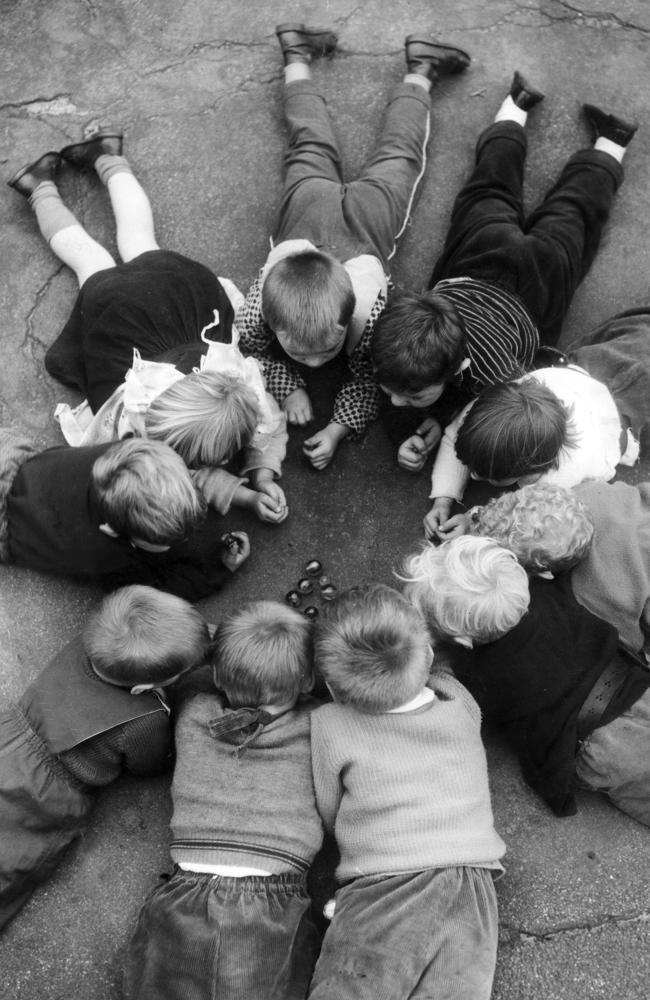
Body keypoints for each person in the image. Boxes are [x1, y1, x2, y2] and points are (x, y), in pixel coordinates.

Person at [7, 135, 288, 523]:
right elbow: (192, 474)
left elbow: (260, 433)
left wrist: (260, 476)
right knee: (90, 260)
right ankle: (40, 187)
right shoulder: (138, 425)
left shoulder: (237, 383)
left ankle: (106, 157)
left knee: (137, 237)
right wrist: (251, 483)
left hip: (177, 294)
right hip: (120, 314)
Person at [371, 73, 637, 478]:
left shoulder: (500, 379)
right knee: (507, 192)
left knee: (566, 213)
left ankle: (602, 140)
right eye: (391, 390)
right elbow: (432, 393)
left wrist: (429, 423)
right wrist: (426, 415)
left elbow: (491, 419)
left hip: (536, 290)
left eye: (410, 395)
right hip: (480, 253)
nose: (393, 403)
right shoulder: (397, 330)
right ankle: (553, 121)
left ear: (460, 371)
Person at [236, 22, 471, 469]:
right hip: (313, 210)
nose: (317, 361)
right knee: (333, 144)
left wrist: (337, 426)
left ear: (349, 320)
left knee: (386, 153)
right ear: (272, 319)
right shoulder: (258, 312)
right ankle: (397, 66)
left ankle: (404, 67)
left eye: (326, 349)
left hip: (356, 226)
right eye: (300, 353)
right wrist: (292, 385)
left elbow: (371, 376)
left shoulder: (369, 320)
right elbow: (249, 347)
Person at [308, 583, 506, 1000]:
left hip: (384, 881)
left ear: (333, 689)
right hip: (473, 879)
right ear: (430, 657)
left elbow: (328, 807)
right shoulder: (459, 702)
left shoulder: (330, 722)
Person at [123, 600, 324, 1000]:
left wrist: (224, 646)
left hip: (187, 886)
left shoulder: (194, 710)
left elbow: (196, 671)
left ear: (216, 674)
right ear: (306, 683)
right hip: (272, 891)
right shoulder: (318, 720)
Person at [0, 585, 211, 932]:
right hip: (47, 792)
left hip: (10, 740)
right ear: (143, 690)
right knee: (11, 861)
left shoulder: (90, 644)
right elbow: (149, 765)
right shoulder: (145, 719)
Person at [402, 536, 650, 824]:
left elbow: (492, 718)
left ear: (462, 639)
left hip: (600, 745)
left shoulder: (476, 672)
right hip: (634, 687)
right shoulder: (545, 591)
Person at [0, 431, 249, 600]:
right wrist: (217, 568)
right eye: (165, 543)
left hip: (15, 463)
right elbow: (150, 591)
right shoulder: (106, 557)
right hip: (8, 527)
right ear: (112, 531)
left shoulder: (120, 456)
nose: (181, 543)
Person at [423, 360, 641, 540]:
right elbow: (453, 437)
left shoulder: (561, 481)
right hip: (566, 382)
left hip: (604, 432)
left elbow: (522, 518)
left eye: (490, 476)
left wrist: (474, 523)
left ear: (530, 471)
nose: (473, 475)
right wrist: (443, 498)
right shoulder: (487, 410)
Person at [462, 480, 650, 659]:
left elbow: (627, 640)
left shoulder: (589, 594)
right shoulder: (587, 491)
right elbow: (516, 518)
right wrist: (477, 520)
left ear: (546, 574)